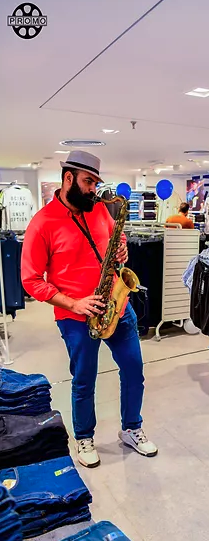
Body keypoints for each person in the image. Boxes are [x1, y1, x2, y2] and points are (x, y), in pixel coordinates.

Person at [21, 150, 157, 469]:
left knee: (134, 370)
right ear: (68, 178)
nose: (93, 189)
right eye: (87, 181)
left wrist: (121, 248)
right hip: (75, 316)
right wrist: (74, 303)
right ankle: (84, 437)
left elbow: (114, 239)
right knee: (84, 380)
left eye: (96, 182)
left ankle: (131, 428)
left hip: (117, 305)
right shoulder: (42, 223)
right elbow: (30, 280)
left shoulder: (97, 209)